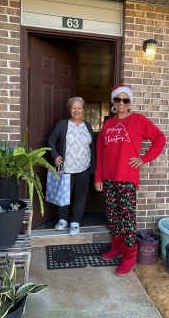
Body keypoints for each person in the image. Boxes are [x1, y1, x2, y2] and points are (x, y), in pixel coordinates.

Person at [94, 84, 166, 276]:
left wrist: (144, 158)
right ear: (113, 101)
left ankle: (129, 257)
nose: (121, 103)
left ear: (130, 102)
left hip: (126, 178)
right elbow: (100, 151)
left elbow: (159, 138)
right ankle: (117, 247)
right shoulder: (108, 124)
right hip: (108, 177)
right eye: (118, 99)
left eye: (125, 100)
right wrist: (98, 176)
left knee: (127, 218)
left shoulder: (138, 120)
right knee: (113, 215)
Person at [48, 97, 95, 235]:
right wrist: (55, 155)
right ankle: (63, 219)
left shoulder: (88, 126)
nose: (76, 110)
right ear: (69, 110)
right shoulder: (62, 124)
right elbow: (51, 140)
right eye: (73, 108)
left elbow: (92, 146)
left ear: (83, 110)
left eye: (79, 108)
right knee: (64, 196)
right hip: (66, 167)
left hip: (84, 168)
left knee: (81, 196)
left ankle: (75, 221)